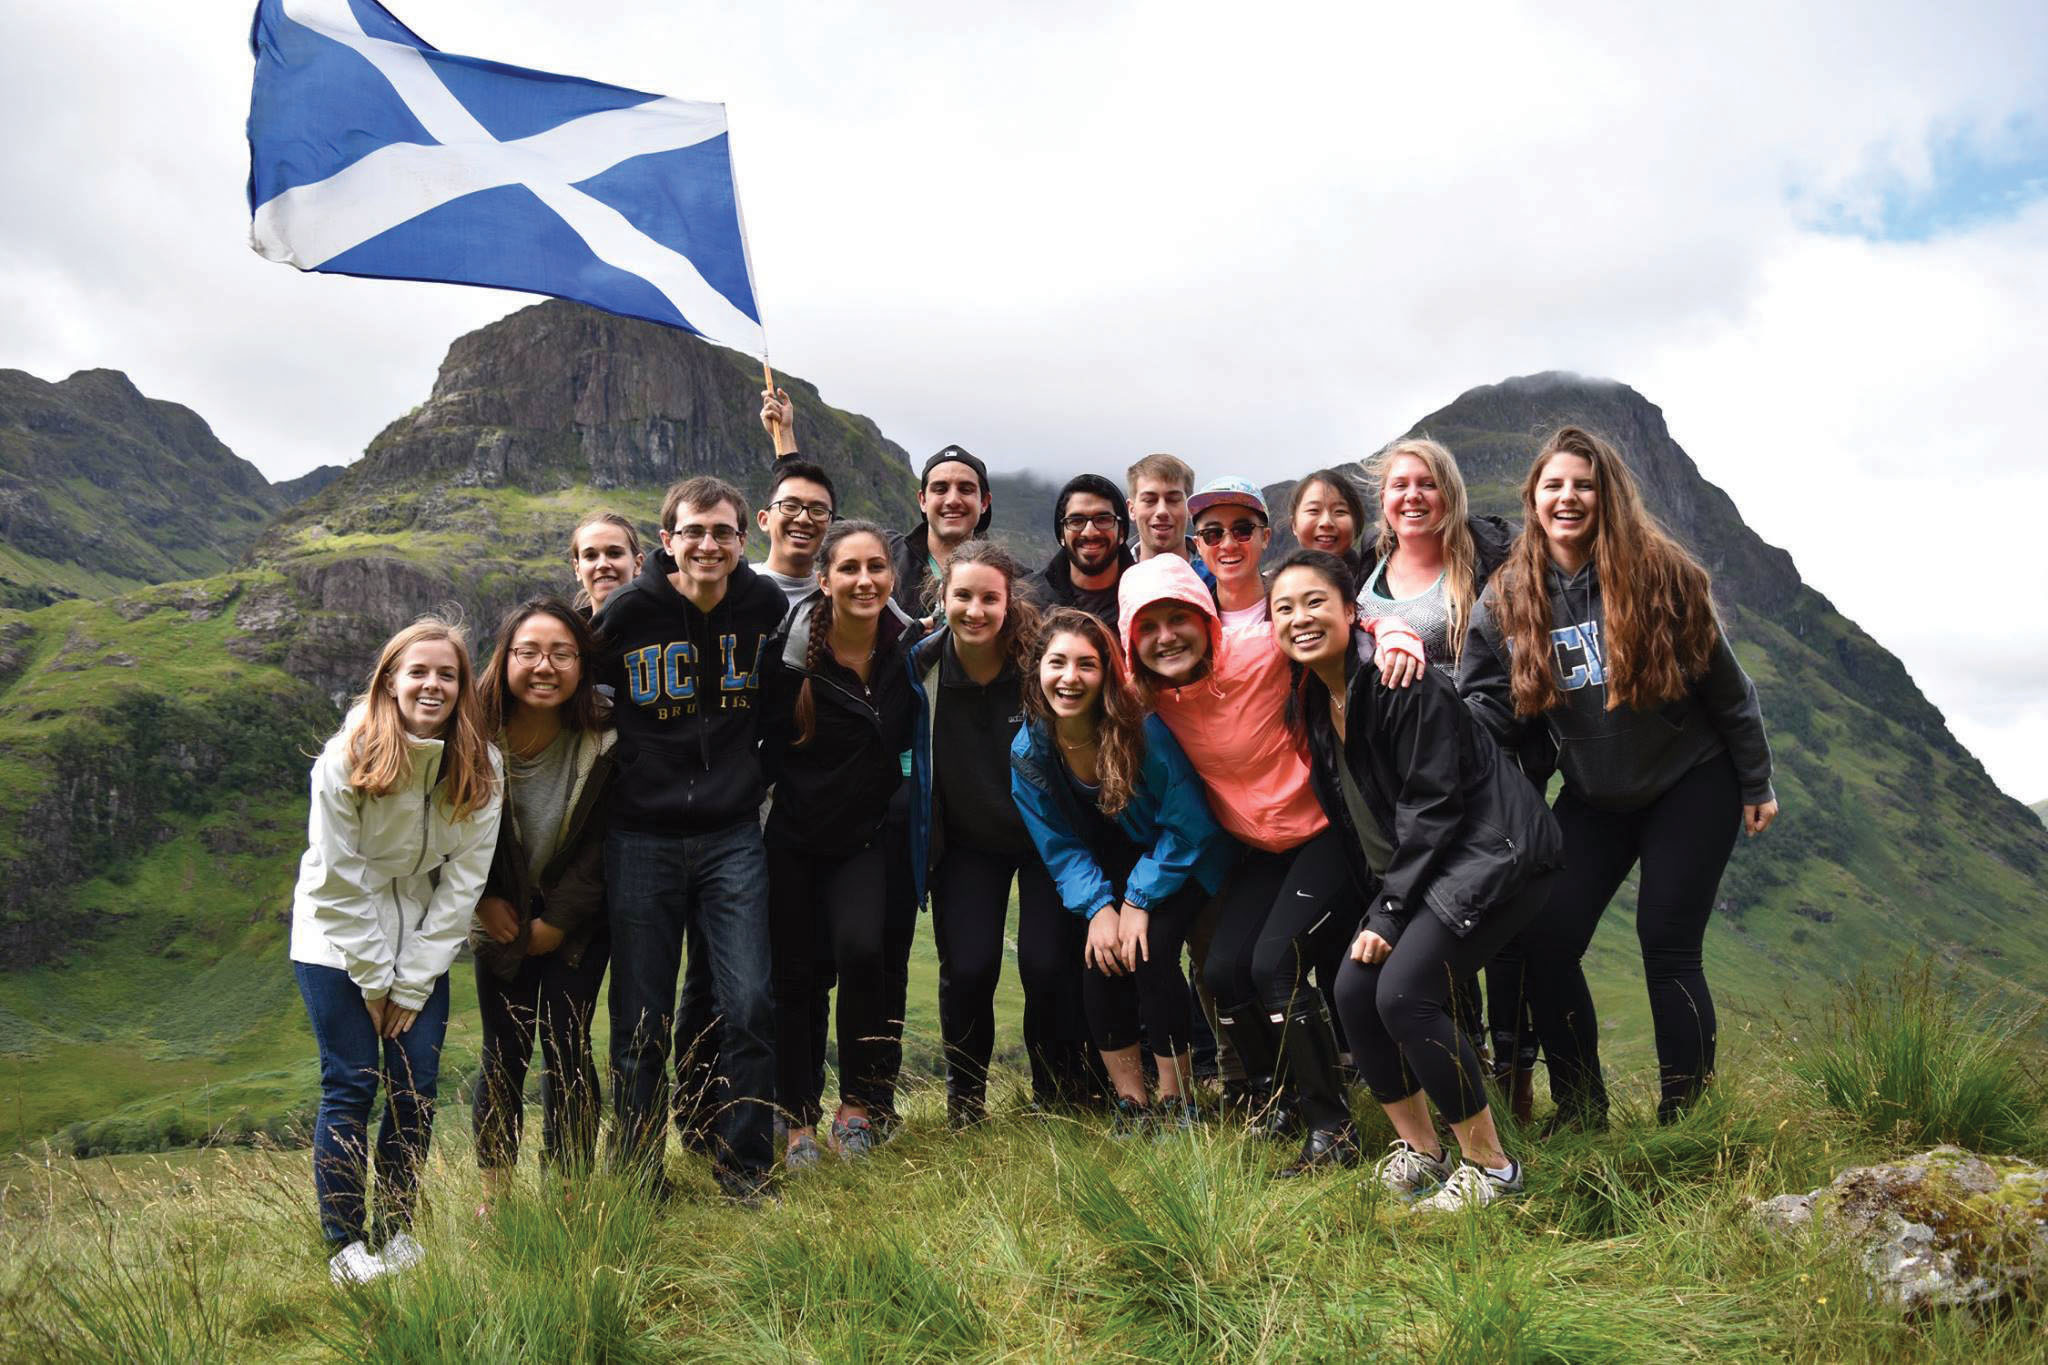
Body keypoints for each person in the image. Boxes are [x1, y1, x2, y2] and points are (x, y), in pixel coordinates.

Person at [1460, 426, 1778, 1127]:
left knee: (1666, 943)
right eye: (1554, 485)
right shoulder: (1506, 596)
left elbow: (1730, 688)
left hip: (1690, 781)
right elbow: (1485, 705)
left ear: (1607, 495)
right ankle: (1580, 1110)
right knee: (1547, 936)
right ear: (1533, 498)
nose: (1568, 497)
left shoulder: (1661, 573)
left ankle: (1685, 1116)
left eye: (1583, 484)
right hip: (1596, 792)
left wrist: (1755, 781)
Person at [1270, 551, 1563, 1210]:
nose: (1300, 617)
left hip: (1497, 853)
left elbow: (1434, 807)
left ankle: (1493, 1169)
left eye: (1315, 601)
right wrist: (1382, 906)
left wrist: (1389, 912)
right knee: (1353, 990)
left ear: (1355, 613)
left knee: (1404, 993)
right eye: (1284, 608)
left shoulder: (1400, 682)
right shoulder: (1317, 701)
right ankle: (1423, 1153)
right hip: (1437, 864)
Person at [1117, 546, 1422, 1176]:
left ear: (1206, 617)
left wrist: (1392, 629)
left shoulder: (1259, 650)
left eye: (1179, 617)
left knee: (1272, 966)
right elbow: (1075, 678)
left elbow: (1330, 622)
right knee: (1224, 973)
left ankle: (1332, 1128)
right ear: (1131, 640)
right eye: (1148, 625)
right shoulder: (1150, 696)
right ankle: (1273, 1098)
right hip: (1258, 850)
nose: (1166, 636)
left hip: (1322, 837)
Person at [1326, 445, 1538, 1119]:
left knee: (1489, 933)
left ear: (1450, 493)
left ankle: (1515, 1076)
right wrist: (1381, 624)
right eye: (1399, 485)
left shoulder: (1485, 565)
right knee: (1425, 927)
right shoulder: (1365, 570)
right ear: (1383, 499)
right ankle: (1458, 1069)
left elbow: (1507, 664)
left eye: (1427, 484)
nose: (1413, 496)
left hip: (1479, 774)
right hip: (1396, 782)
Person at [289, 618, 502, 1284]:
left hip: (421, 946)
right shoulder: (345, 755)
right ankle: (346, 1246)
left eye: (447, 673)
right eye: (418, 671)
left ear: (464, 686)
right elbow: (335, 880)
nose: (432, 684)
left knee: (414, 1089)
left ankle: (399, 1228)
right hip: (334, 940)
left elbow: (464, 882)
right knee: (352, 1082)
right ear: (390, 679)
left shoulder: (481, 765)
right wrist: (375, 982)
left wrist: (409, 984)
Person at [593, 475, 787, 1203]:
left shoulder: (763, 605)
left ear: (743, 541)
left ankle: (746, 1168)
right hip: (641, 837)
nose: (709, 544)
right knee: (640, 1017)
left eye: (724, 532)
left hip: (733, 834)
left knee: (749, 1004)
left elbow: (772, 700)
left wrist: (752, 775)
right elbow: (590, 695)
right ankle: (640, 1176)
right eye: (694, 531)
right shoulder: (629, 611)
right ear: (668, 539)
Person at [1010, 609, 1235, 1133]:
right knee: (1102, 954)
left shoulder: (1141, 730)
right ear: (1037, 671)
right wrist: (1099, 909)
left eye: (1086, 665)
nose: (1070, 678)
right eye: (1057, 663)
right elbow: (1059, 845)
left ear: (1107, 673)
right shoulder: (1029, 750)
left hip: (1180, 860)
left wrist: (1137, 900)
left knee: (1148, 950)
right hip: (1112, 871)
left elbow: (1190, 827)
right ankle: (1132, 1103)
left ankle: (1176, 1100)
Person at [758, 520, 926, 1166]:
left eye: (876, 567)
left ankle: (856, 1108)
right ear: (822, 579)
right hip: (795, 839)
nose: (864, 580)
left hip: (864, 839)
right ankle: (796, 1118)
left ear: (892, 576)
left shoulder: (909, 651)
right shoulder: (789, 653)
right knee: (795, 976)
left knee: (862, 955)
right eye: (849, 568)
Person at [910, 541, 1089, 1126]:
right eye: (963, 596)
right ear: (943, 597)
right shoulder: (922, 668)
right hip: (965, 844)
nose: (976, 610)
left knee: (1045, 964)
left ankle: (1056, 1093)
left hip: (1045, 841)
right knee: (968, 967)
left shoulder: (1038, 667)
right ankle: (966, 1103)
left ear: (1009, 601)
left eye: (990, 597)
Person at [469, 600, 616, 1202]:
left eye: (561, 654)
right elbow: (443, 827)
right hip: (496, 917)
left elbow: (608, 839)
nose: (544, 666)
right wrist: (482, 903)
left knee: (569, 1047)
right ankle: (495, 1195)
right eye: (528, 653)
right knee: (502, 1052)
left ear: (582, 663)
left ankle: (569, 1191)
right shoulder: (469, 734)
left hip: (577, 922)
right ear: (505, 659)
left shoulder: (605, 734)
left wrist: (558, 921)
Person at [762, 384, 990, 616]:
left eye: (966, 489)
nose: (952, 500)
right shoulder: (883, 550)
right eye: (940, 489)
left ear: (984, 502)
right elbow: (819, 521)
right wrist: (785, 437)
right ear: (922, 500)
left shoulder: (1011, 578)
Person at [1036, 474, 1136, 624]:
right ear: (1062, 533)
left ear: (1121, 531)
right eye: (1076, 521)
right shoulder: (1030, 602)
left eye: (1102, 520)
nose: (1090, 532)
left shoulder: (1145, 598)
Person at [569, 512, 644, 615]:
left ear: (637, 564)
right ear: (577, 569)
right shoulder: (565, 630)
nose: (602, 565)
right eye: (590, 556)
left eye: (614, 553)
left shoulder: (667, 627)